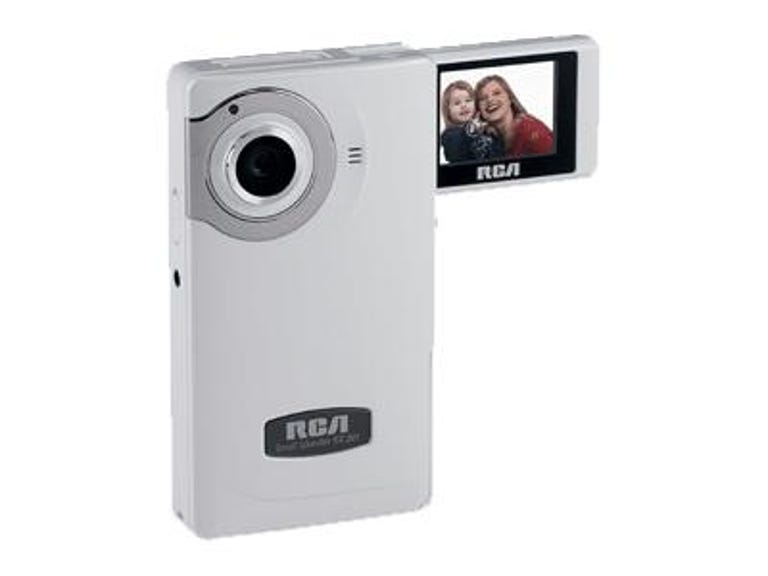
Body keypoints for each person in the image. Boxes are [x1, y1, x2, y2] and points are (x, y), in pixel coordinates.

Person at [475, 75, 554, 158]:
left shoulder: (532, 132)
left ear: (510, 99)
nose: (490, 100)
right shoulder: (487, 139)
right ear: (479, 109)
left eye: (497, 93)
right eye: (482, 98)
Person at [440, 80, 505, 163]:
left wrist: (494, 135)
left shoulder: (487, 131)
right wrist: (472, 130)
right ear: (448, 111)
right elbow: (455, 153)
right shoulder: (449, 135)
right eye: (457, 103)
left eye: (468, 100)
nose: (464, 105)